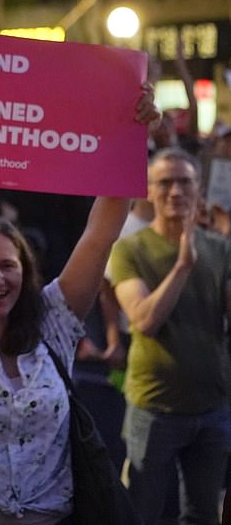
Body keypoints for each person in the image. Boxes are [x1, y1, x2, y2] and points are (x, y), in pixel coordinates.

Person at [0, 88, 158, 524]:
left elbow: (101, 232)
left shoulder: (54, 320)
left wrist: (133, 137)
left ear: (26, 271)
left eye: (8, 265)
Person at [109, 147, 231, 525]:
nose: (176, 191)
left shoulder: (221, 248)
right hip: (154, 407)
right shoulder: (129, 248)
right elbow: (144, 320)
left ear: (199, 190)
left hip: (212, 407)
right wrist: (182, 266)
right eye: (165, 183)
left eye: (185, 182)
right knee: (139, 511)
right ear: (148, 190)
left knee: (203, 514)